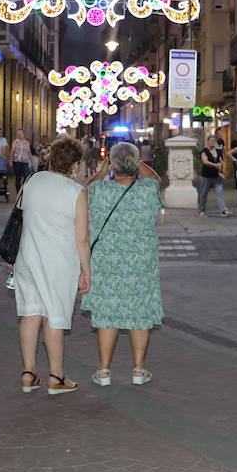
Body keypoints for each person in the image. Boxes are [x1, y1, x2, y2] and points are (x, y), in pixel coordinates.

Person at [13, 136, 90, 395]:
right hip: (58, 262)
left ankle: (28, 372)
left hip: (27, 257)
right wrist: (86, 270)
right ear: (75, 164)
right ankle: (56, 376)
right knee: (54, 317)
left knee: (31, 313)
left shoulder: (32, 180)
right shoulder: (76, 192)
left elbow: (19, 213)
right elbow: (81, 238)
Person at [85, 142, 165, 385]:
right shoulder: (148, 190)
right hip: (141, 263)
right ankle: (139, 370)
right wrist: (137, 161)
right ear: (136, 164)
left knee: (107, 315)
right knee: (139, 314)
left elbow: (83, 190)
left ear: (112, 165)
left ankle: (104, 370)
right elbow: (156, 178)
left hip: (107, 263)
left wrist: (101, 171)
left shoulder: (99, 190)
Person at [196, 135, 228, 216]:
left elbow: (221, 160)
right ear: (208, 141)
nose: (212, 142)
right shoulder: (204, 151)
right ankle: (201, 211)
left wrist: (220, 165)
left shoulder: (218, 151)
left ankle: (224, 210)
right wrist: (215, 165)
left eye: (214, 141)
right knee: (203, 193)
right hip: (206, 176)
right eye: (211, 141)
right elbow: (205, 161)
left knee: (220, 192)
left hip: (216, 176)